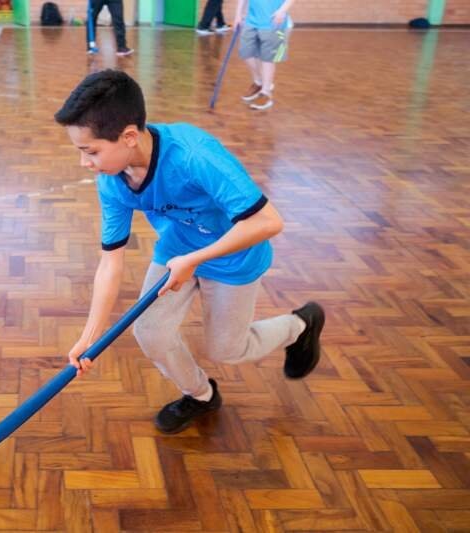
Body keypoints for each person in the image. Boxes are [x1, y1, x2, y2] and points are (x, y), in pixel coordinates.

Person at [54, 70, 324, 434]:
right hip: (178, 248)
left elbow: (268, 222)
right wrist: (89, 338)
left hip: (234, 258)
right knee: (150, 333)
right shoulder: (112, 182)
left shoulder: (195, 156)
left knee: (227, 350)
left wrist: (196, 260)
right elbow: (110, 263)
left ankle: (299, 325)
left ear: (129, 137)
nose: (85, 163)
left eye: (91, 152)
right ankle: (200, 394)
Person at [235, 0, 296, 110]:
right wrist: (238, 15)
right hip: (251, 21)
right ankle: (259, 81)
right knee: (246, 52)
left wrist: (282, 11)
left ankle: (266, 92)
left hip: (273, 22)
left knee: (267, 59)